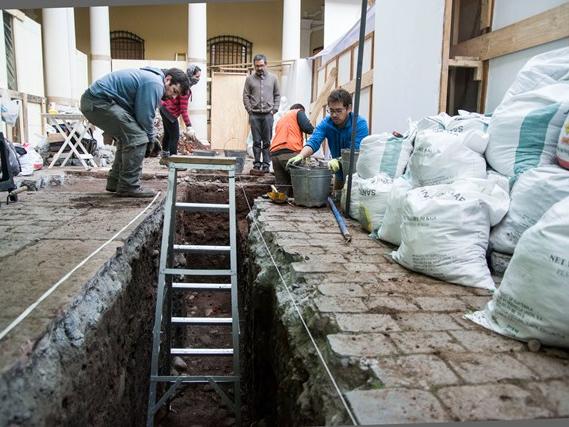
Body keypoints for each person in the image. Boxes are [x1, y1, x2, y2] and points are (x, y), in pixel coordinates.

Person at [80, 67, 189, 197]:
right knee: (138, 138)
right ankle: (128, 186)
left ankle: (115, 182)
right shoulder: (155, 83)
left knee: (128, 137)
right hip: (99, 102)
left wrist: (150, 138)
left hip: (96, 101)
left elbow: (139, 115)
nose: (173, 96)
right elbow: (145, 116)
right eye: (174, 91)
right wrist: (149, 139)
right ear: (168, 79)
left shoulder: (151, 79)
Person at [286, 88, 369, 189]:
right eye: (331, 110)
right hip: (338, 173)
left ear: (349, 108)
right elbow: (314, 141)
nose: (334, 115)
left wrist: (338, 160)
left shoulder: (359, 124)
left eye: (338, 111)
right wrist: (301, 155)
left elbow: (355, 151)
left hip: (356, 176)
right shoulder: (327, 123)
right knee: (337, 199)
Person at [243, 54, 280, 175]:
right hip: (255, 115)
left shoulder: (273, 78)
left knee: (267, 141)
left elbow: (277, 95)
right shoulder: (249, 79)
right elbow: (245, 96)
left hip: (268, 115)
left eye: (262, 65)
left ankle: (266, 165)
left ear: (266, 65)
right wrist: (249, 110)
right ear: (254, 66)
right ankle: (257, 164)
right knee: (256, 141)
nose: (259, 68)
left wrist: (274, 109)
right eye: (257, 66)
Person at [155, 65, 201, 157]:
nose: (198, 79)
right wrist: (189, 126)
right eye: (197, 76)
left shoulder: (183, 86)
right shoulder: (185, 90)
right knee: (174, 136)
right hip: (169, 112)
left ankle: (165, 156)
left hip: (164, 109)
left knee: (168, 134)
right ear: (190, 74)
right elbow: (184, 110)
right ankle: (173, 161)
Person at [270, 103, 314, 196]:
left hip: (275, 154)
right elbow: (308, 128)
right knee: (302, 184)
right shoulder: (298, 112)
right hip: (289, 152)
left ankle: (281, 209)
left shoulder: (282, 119)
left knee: (282, 189)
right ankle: (302, 207)